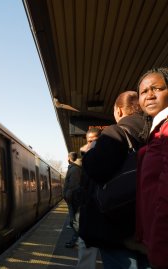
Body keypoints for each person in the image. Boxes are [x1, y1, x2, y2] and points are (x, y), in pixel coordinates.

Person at [81, 91, 150, 269]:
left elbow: (96, 169)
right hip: (148, 226)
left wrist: (88, 153)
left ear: (119, 110)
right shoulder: (155, 133)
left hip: (118, 230)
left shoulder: (116, 132)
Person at [136, 67, 168, 269]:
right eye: (144, 91)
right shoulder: (157, 130)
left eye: (156, 88)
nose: (149, 95)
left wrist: (159, 251)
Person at [75, 128, 101, 269]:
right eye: (89, 141)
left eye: (95, 141)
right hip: (89, 209)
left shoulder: (105, 155)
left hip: (98, 210)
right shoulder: (87, 158)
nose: (91, 144)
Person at [63, 152, 82, 248]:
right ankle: (76, 240)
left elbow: (73, 186)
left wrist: (67, 196)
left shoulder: (74, 169)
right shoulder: (74, 168)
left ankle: (76, 241)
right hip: (73, 199)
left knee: (74, 221)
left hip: (74, 199)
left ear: (69, 158)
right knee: (74, 221)